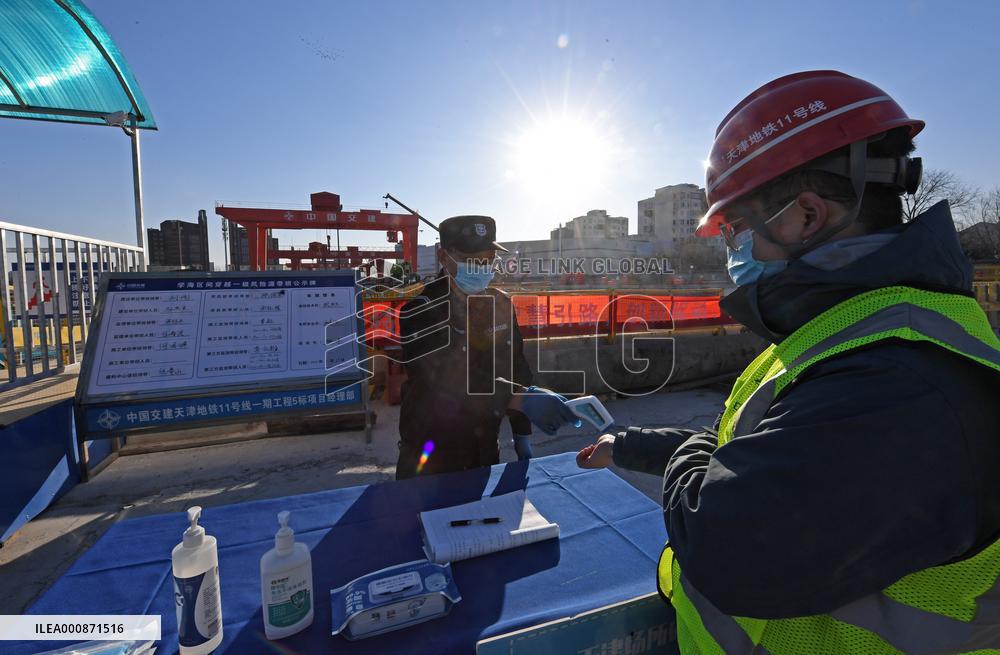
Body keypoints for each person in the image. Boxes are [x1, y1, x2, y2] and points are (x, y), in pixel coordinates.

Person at [577, 70, 1000, 653]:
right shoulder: (858, 330)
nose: (732, 251)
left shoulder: (901, 380)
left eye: (737, 229)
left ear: (804, 216)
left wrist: (696, 460)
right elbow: (758, 444)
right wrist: (629, 445)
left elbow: (722, 541)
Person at [396, 215, 575, 480]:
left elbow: (517, 368)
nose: (482, 267)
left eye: (488, 259)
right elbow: (441, 382)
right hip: (430, 449)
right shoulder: (420, 310)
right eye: (472, 259)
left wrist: (521, 433)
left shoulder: (500, 304)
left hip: (484, 444)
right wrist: (519, 400)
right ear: (444, 257)